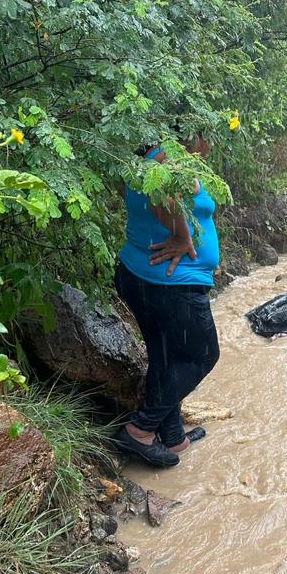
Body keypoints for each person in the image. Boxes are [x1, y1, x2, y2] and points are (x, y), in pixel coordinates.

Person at [112, 133, 220, 467]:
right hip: (171, 285)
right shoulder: (165, 162)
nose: (209, 145)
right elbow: (163, 199)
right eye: (207, 135)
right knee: (203, 356)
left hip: (144, 276)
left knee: (166, 358)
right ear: (190, 132)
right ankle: (140, 430)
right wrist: (180, 237)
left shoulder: (145, 161)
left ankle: (173, 438)